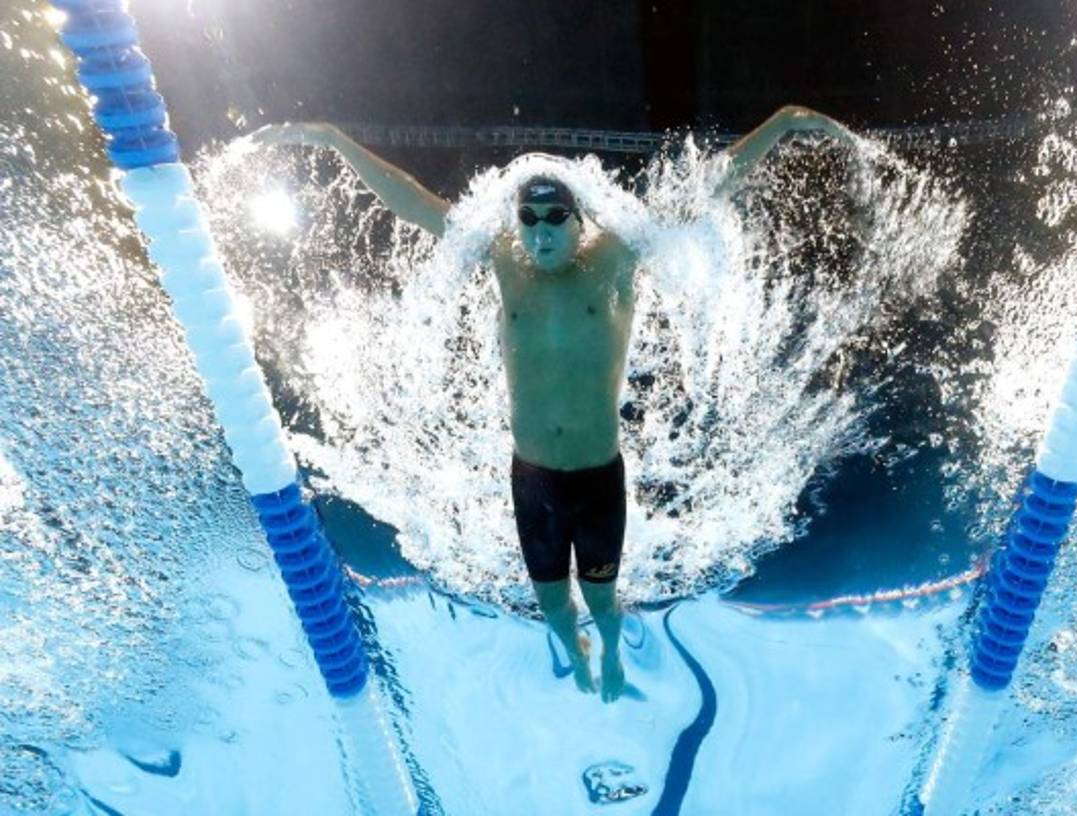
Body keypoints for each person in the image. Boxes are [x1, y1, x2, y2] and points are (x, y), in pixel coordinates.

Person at [249, 105, 855, 702]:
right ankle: (575, 653)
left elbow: (703, 189)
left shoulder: (615, 258)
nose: (540, 231)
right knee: (550, 604)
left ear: (579, 220)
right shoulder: (503, 259)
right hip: (532, 477)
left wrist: (780, 124)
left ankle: (612, 648)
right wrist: (333, 139)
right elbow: (411, 201)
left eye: (554, 217)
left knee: (600, 598)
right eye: (530, 217)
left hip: (597, 477)